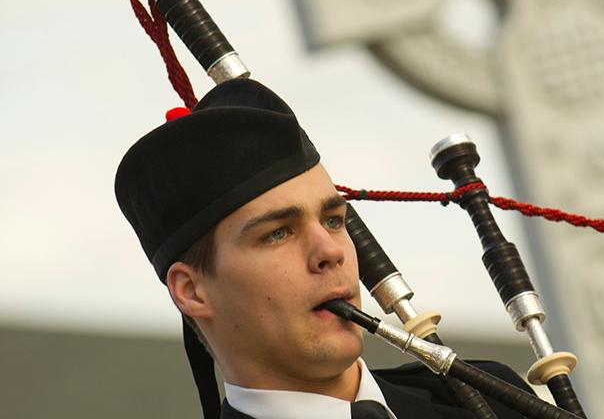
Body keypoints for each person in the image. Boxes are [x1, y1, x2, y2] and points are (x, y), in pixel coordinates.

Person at [114, 77, 533, 419]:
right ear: (191, 290)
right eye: (278, 233)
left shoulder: (488, 399)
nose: (329, 251)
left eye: (333, 220)